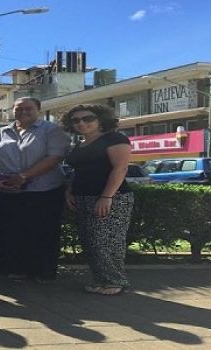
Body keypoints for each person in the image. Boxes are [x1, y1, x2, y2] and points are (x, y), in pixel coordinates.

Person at [0, 97, 70, 282]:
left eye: (28, 108)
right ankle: (12, 269)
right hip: (7, 192)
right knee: (9, 232)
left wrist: (24, 176)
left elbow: (54, 157)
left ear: (38, 109)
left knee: (43, 232)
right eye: (18, 108)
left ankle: (42, 272)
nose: (23, 112)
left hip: (44, 191)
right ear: (12, 111)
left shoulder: (52, 130)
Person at [61, 104, 134, 295]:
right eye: (76, 120)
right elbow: (77, 171)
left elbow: (120, 169)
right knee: (91, 241)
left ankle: (115, 282)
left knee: (107, 240)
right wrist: (69, 191)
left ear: (100, 119)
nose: (82, 123)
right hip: (83, 197)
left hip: (111, 197)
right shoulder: (79, 144)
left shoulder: (115, 138)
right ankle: (100, 279)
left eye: (88, 118)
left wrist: (107, 196)